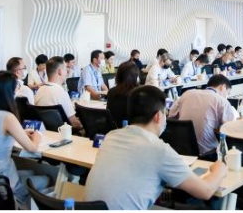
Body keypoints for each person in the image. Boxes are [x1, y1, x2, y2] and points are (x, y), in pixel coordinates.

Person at [85, 86, 228, 209]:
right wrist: (219, 170)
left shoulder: (111, 136)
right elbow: (205, 191)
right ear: (158, 116)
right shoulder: (159, 150)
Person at [0, 71, 48, 208]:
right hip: (5, 183)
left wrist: (19, 132)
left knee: (31, 172)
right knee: (46, 178)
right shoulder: (7, 117)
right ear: (9, 92)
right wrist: (37, 137)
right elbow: (32, 148)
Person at [169, 75, 238, 158]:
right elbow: (231, 129)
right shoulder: (221, 101)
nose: (226, 96)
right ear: (222, 87)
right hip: (208, 153)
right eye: (227, 93)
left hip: (182, 151)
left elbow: (171, 117)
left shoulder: (186, 94)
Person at [34, 56, 83, 131]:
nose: (67, 71)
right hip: (64, 134)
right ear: (60, 71)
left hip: (46, 133)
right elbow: (75, 124)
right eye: (66, 68)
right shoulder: (61, 92)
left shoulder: (39, 90)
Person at [106, 61, 140, 127]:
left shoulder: (111, 92)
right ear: (136, 77)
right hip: (133, 131)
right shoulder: (138, 93)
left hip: (114, 130)